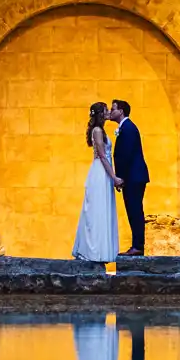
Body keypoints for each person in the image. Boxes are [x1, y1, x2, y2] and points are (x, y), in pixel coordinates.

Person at [71, 101, 120, 262]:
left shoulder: (102, 130)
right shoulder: (98, 131)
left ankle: (100, 250)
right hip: (100, 172)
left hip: (105, 171)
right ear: (100, 114)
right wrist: (114, 177)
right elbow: (102, 155)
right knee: (96, 210)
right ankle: (93, 251)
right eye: (105, 110)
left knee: (102, 209)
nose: (108, 113)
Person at [109, 99, 149, 256]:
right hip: (132, 176)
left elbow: (126, 156)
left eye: (113, 109)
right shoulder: (126, 128)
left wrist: (120, 178)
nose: (111, 112)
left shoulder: (128, 128)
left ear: (121, 111)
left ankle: (138, 246)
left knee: (135, 210)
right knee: (133, 210)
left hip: (133, 177)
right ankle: (136, 245)